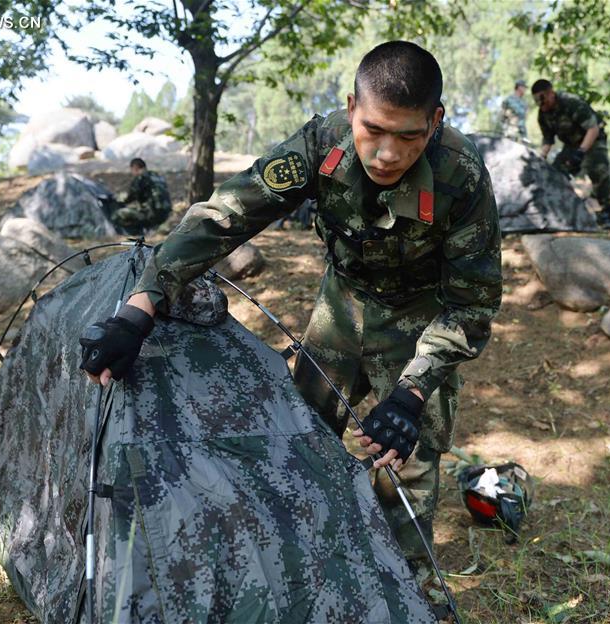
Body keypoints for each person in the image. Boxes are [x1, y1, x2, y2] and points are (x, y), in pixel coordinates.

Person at [78, 41, 502, 581]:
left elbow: (474, 303)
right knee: (295, 434)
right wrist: (139, 309)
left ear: (435, 121)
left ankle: (410, 590)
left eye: (409, 136)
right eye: (373, 129)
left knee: (407, 461)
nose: (388, 153)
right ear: (352, 108)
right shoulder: (321, 143)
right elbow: (225, 216)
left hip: (423, 319)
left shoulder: (460, 175)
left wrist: (412, 392)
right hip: (341, 306)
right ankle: (292, 568)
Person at [531, 79, 610, 228]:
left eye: (543, 99)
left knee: (597, 168)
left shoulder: (571, 102)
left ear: (551, 93)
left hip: (593, 139)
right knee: (556, 173)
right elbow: (548, 140)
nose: (542, 105)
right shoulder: (543, 114)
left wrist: (581, 152)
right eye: (537, 101)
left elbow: (593, 129)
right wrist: (540, 159)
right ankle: (557, 211)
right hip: (571, 145)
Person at [110, 158, 173, 233]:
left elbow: (130, 197)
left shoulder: (141, 178)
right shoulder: (157, 176)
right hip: (166, 214)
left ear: (135, 168)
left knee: (116, 215)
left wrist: (118, 199)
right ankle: (154, 227)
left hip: (152, 214)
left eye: (132, 170)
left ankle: (136, 231)